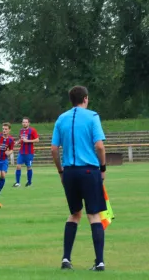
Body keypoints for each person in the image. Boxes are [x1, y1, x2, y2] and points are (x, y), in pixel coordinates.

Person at [51, 86, 107, 271]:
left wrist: (61, 172)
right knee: (94, 215)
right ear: (85, 98)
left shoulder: (61, 118)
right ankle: (99, 261)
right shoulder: (92, 117)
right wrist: (103, 168)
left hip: (70, 172)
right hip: (89, 171)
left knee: (75, 213)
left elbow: (53, 149)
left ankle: (66, 259)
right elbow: (99, 146)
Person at [13, 117, 39, 187]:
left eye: (26, 122)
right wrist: (17, 142)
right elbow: (21, 139)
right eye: (23, 122)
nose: (24, 123)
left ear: (28, 123)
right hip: (21, 152)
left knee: (29, 167)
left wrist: (28, 141)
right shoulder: (21, 130)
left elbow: (37, 140)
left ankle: (29, 182)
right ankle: (18, 183)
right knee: (18, 166)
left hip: (29, 152)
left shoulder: (32, 130)